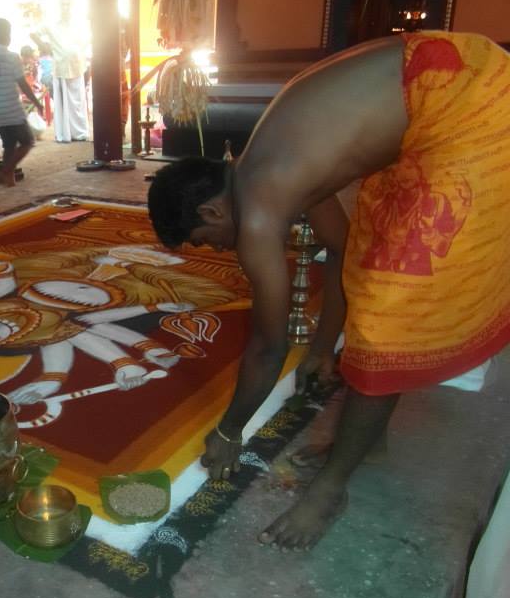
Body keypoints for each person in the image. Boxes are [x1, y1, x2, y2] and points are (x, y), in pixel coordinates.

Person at [147, 31, 510, 550]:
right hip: (449, 80)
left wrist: (229, 431)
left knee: (394, 315)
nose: (224, 252)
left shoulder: (259, 207)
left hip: (468, 99)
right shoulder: (275, 166)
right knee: (373, 260)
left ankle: (331, 489)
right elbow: (340, 250)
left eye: (208, 243)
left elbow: (269, 346)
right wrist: (322, 351)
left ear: (211, 211)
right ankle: (362, 442)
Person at [0, 18, 44, 187]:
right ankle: (7, 169)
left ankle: (9, 181)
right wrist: (37, 102)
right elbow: (23, 84)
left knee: (9, 144)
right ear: (8, 35)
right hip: (11, 107)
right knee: (28, 141)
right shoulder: (12, 58)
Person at [31, 0, 89, 143]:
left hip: (77, 66)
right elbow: (33, 33)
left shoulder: (77, 23)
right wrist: (44, 47)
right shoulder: (50, 24)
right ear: (58, 7)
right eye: (63, 4)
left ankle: (80, 133)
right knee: (63, 103)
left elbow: (85, 42)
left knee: (78, 102)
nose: (65, 7)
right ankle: (65, 134)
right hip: (61, 68)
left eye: (68, 4)